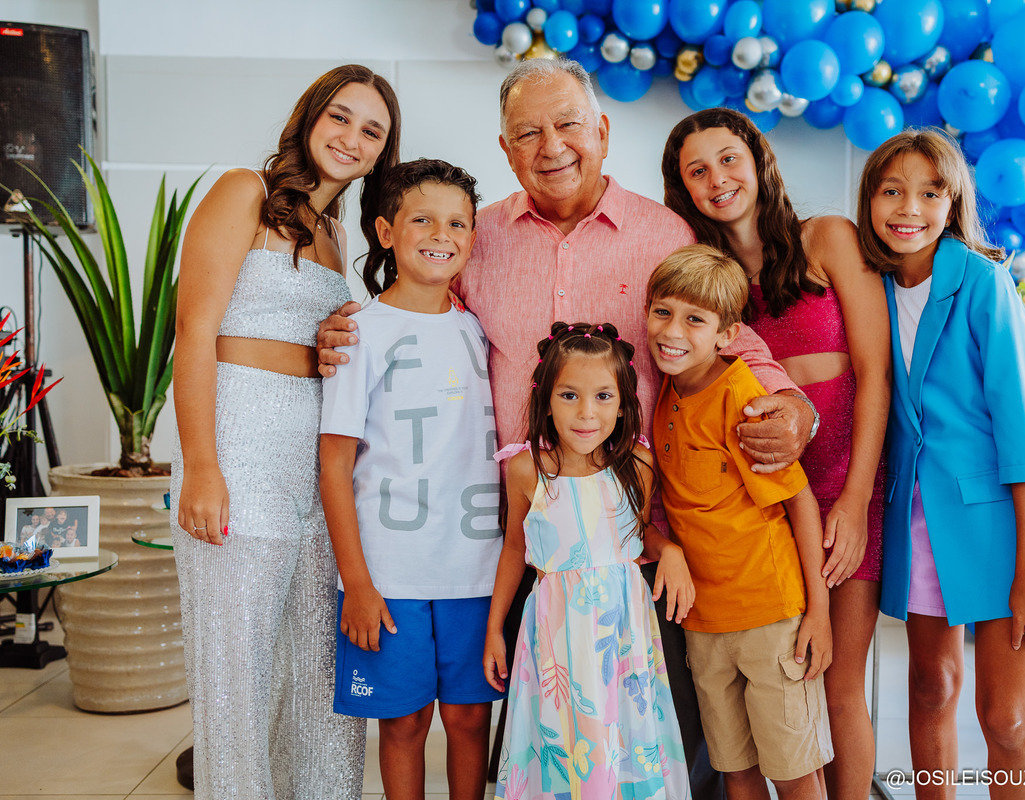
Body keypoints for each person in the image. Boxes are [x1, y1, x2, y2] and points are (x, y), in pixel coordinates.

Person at [316, 58, 816, 799]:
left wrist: (792, 404)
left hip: (635, 531)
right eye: (528, 133)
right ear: (505, 148)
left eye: (568, 124)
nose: (551, 146)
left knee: (655, 736)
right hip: (521, 531)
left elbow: (724, 333)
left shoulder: (662, 232)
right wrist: (347, 325)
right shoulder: (478, 235)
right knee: (542, 734)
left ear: (602, 131)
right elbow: (420, 305)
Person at [171, 64, 401, 800]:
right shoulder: (244, 191)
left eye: (372, 131)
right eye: (341, 117)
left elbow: (314, 349)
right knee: (237, 671)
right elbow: (194, 330)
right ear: (310, 118)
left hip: (313, 459)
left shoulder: (337, 235)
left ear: (381, 152)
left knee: (314, 668)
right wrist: (203, 466)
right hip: (238, 443)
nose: (352, 138)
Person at [856, 129, 1025, 798]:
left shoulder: (984, 283)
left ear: (953, 202)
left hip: (1003, 530)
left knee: (1006, 716)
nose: (910, 208)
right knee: (929, 687)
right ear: (869, 200)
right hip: (920, 522)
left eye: (930, 193)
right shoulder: (871, 287)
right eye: (892, 191)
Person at [662, 108, 889, 800]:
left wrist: (856, 501)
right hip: (758, 508)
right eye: (697, 171)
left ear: (758, 160)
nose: (717, 179)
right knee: (773, 694)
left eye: (728, 159)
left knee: (837, 682)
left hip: (842, 487)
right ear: (683, 189)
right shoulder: (708, 281)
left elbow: (876, 373)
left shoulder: (827, 238)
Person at [319, 159, 503, 800]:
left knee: (470, 719)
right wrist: (357, 583)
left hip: (477, 570)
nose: (441, 234)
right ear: (385, 231)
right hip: (389, 572)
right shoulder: (359, 334)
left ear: (473, 236)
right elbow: (334, 464)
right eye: (422, 219)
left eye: (457, 223)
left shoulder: (480, 328)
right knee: (403, 724)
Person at [646, 245, 832, 800]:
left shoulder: (742, 397)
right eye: (662, 312)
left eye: (694, 320)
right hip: (704, 623)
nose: (672, 331)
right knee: (734, 769)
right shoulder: (666, 390)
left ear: (727, 335)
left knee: (793, 771)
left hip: (770, 618)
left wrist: (818, 611)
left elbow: (799, 502)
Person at [483, 321, 695, 798]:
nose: (586, 413)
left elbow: (639, 532)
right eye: (569, 396)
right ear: (545, 400)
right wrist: (495, 629)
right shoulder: (526, 469)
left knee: (623, 741)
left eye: (603, 397)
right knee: (566, 744)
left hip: (622, 635)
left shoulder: (636, 464)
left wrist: (670, 550)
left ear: (622, 405)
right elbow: (515, 548)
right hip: (557, 634)